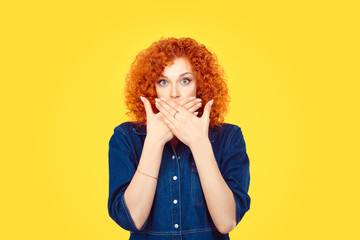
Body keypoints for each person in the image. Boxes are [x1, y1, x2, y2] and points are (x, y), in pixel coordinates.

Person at [108, 37, 251, 240]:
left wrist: (199, 142)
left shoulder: (229, 137)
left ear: (199, 85)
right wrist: (154, 142)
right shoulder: (126, 138)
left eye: (185, 80)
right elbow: (132, 220)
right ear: (152, 88)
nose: (174, 94)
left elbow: (227, 221)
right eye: (163, 82)